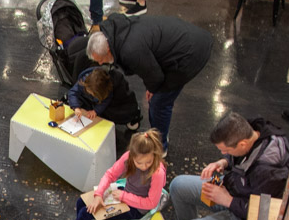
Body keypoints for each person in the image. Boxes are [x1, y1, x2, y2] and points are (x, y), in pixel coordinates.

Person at [169, 111, 289, 220]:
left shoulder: (270, 172)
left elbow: (259, 212)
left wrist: (227, 200)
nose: (221, 153)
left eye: (225, 150)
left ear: (242, 144)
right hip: (234, 188)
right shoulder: (255, 129)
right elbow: (240, 161)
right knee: (178, 185)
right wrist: (224, 161)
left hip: (247, 216)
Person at [87, 14, 212, 152]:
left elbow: (155, 76)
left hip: (189, 53)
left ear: (109, 50)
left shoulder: (130, 51)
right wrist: (152, 86)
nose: (100, 63)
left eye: (101, 59)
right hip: (184, 38)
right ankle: (159, 134)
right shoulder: (117, 30)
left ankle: (159, 146)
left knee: (159, 102)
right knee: (156, 97)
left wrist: (152, 88)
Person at [37, 129, 166, 220]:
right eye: (139, 163)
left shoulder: (157, 172)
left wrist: (123, 196)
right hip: (124, 194)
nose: (144, 166)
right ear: (132, 155)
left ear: (154, 155)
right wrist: (98, 195)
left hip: (137, 209)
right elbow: (110, 174)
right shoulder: (128, 157)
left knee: (87, 213)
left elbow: (150, 203)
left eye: (148, 162)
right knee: (81, 202)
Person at [67, 65, 141, 131]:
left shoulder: (107, 89)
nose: (92, 94)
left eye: (94, 94)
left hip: (96, 102)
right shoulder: (82, 82)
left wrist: (96, 111)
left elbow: (106, 100)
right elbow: (73, 92)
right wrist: (76, 107)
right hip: (87, 100)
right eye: (90, 92)